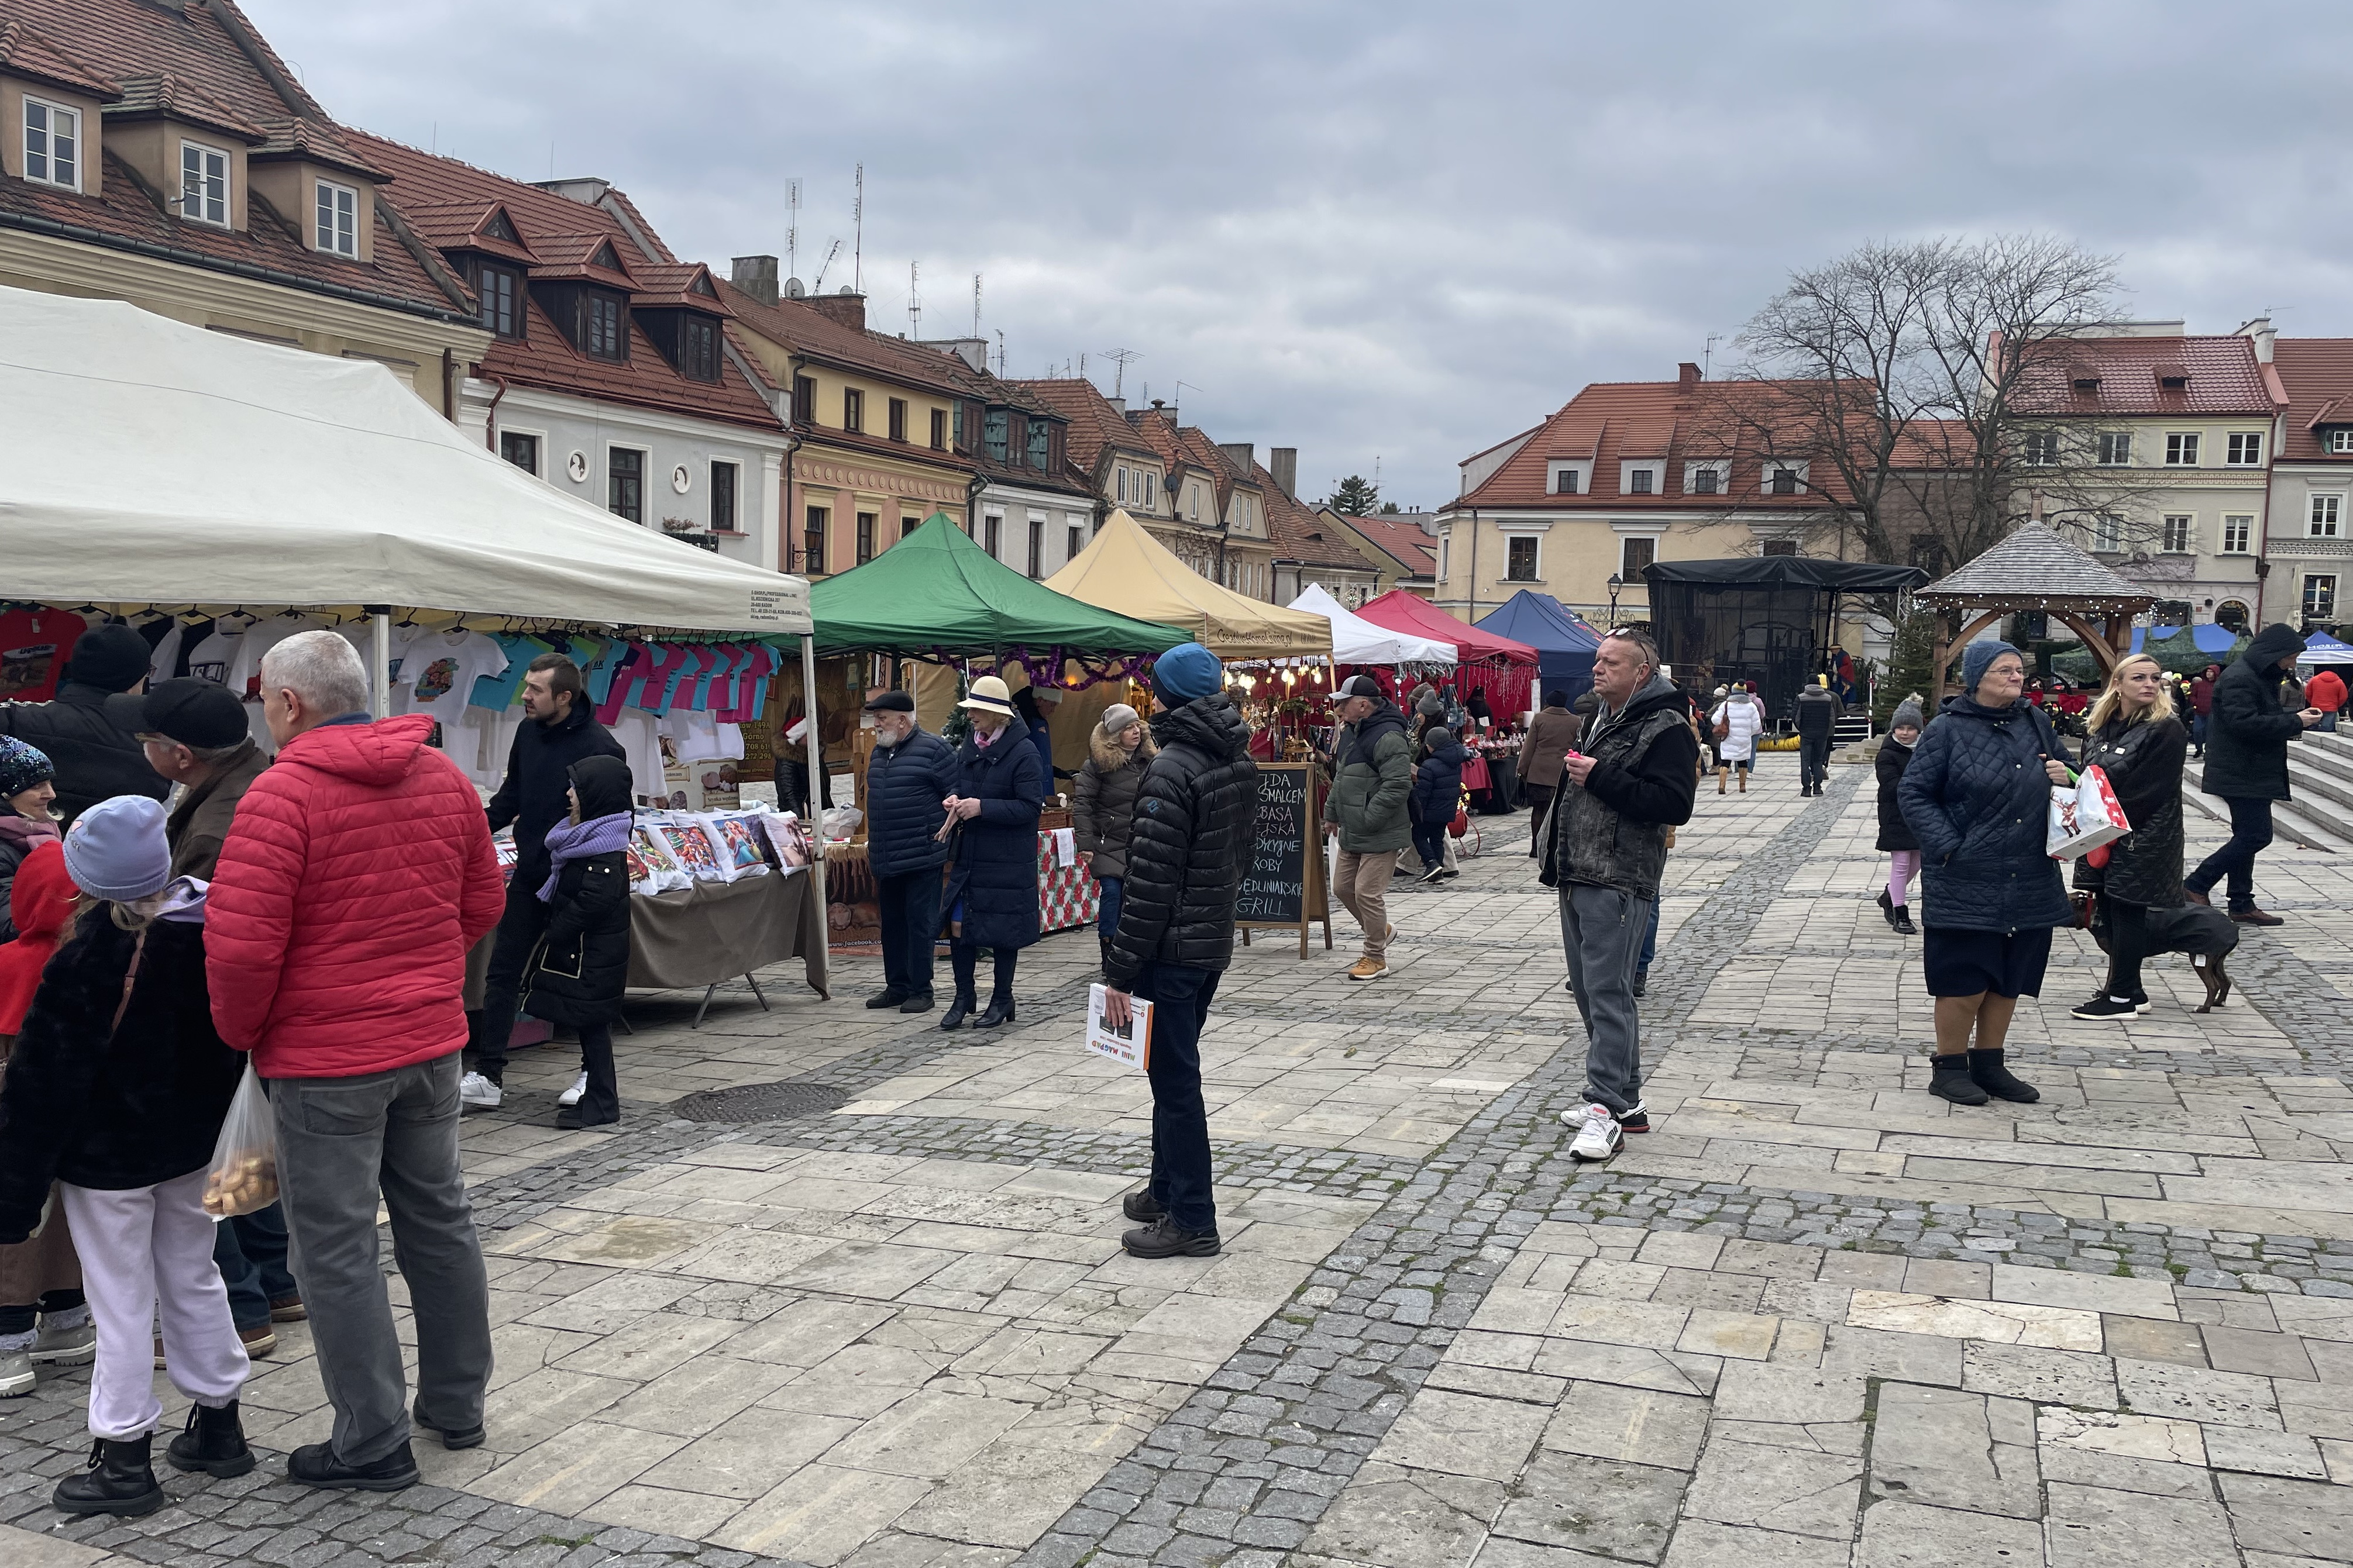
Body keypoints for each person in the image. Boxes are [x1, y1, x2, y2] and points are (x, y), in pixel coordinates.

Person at [206, 630, 505, 1491]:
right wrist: (423, 974)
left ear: (290, 703)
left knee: (334, 1249)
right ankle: (456, 1402)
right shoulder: (442, 776)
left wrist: (247, 1034)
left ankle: (370, 1437)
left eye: (265, 696)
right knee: (438, 1220)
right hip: (425, 1043)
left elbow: (240, 950)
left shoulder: (282, 795)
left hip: (325, 1057)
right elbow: (482, 897)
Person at [0, 796, 250, 1515]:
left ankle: (123, 1454)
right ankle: (220, 1423)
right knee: (194, 1276)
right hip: (193, 1144)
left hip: (108, 1160)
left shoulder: (86, 957)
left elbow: (43, 1083)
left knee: (120, 1299)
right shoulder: (211, 931)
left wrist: (15, 1194)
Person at [141, 678, 297, 1360]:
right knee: (246, 1140)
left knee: (209, 1154)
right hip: (261, 1009)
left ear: (179, 754)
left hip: (222, 1009)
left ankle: (240, 1305)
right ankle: (278, 1281)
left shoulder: (216, 823)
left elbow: (206, 940)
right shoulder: (253, 778)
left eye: (146, 741)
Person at [1099, 643, 1257, 1259]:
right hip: (1206, 939)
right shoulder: (1233, 755)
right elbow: (1238, 855)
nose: (1150, 699)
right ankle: (1165, 1188)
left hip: (1169, 947)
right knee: (1170, 1071)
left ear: (1168, 698)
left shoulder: (1171, 768)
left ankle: (1192, 1218)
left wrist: (1119, 967)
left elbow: (1149, 882)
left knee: (1174, 1081)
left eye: (1155, 689)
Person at [1542, 629, 1698, 1162]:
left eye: (1611, 661)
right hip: (1578, 868)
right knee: (1589, 991)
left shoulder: (1666, 725)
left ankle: (1605, 1105)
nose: (1597, 668)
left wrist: (1601, 776)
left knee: (1609, 994)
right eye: (1597, 660)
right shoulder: (1599, 718)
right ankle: (1627, 1102)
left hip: (1619, 874)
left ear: (1642, 672)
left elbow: (1674, 804)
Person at [1897, 641, 2072, 1107]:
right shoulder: (1946, 730)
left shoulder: (2035, 722)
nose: (2017, 677)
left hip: (2030, 870)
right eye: (2005, 670)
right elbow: (1914, 793)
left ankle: (1989, 1063)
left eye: (2019, 670)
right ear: (1978, 678)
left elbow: (2073, 773)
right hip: (1966, 875)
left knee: (2010, 976)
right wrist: (1950, 847)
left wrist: (2066, 773)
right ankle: (1949, 1067)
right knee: (1965, 977)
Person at [463, 653, 625, 1111]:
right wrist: (468, 831)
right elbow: (511, 796)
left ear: (565, 697)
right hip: (532, 875)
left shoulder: (602, 747)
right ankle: (488, 1074)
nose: (525, 695)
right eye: (527, 686)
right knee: (503, 971)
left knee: (584, 978)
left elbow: (612, 822)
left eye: (535, 689)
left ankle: (593, 1073)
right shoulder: (526, 732)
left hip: (577, 879)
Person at [0, 839, 89, 1404]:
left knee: (14, 1223)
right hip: (81, 1109)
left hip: (14, 1110)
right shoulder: (95, 957)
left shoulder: (7, 961)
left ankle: (8, 1342)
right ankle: (68, 1319)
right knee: (69, 1219)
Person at [2070, 654, 2189, 1020]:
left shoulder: (2168, 728)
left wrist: (2106, 825)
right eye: (2139, 678)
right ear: (2118, 684)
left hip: (2143, 833)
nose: (2150, 684)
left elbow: (2149, 791)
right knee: (2108, 909)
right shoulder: (2098, 726)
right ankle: (2132, 990)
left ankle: (2120, 997)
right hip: (2103, 830)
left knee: (2128, 911)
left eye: (2156, 678)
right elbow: (2092, 776)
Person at [520, 757, 634, 1128]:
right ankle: (598, 1098)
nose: (569, 795)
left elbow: (595, 901)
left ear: (595, 796)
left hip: (592, 955)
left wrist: (556, 931)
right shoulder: (589, 841)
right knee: (590, 1028)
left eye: (577, 788)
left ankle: (602, 1102)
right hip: (587, 954)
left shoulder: (603, 848)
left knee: (595, 1028)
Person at [2185, 624, 2323, 926]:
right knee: (2256, 836)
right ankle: (2197, 883)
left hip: (2249, 770)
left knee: (2246, 836)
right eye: (2292, 657)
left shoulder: (2256, 675)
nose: (2293, 664)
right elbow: (2245, 725)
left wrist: (2293, 719)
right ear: (2275, 654)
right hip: (2241, 771)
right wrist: (2295, 721)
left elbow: (2257, 719)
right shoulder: (2241, 678)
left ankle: (2241, 902)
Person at [937, 676, 1044, 1030]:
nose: (970, 717)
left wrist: (983, 808)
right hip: (971, 855)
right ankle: (963, 995)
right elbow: (959, 782)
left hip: (1007, 860)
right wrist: (954, 798)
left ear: (997, 714)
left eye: (976, 711)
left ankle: (1002, 998)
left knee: (1003, 931)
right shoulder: (971, 744)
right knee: (958, 925)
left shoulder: (1024, 752)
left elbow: (1030, 808)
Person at [0, 623, 167, 828]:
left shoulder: (17, 718)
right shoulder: (154, 747)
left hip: (24, 852)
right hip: (110, 855)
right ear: (134, 677)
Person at [861, 691, 958, 1012]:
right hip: (886, 856)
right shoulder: (879, 753)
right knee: (892, 923)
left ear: (902, 720)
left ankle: (922, 990)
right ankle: (897, 986)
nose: (876, 723)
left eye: (882, 717)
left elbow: (956, 797)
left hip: (921, 855)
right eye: (876, 717)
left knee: (920, 923)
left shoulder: (935, 750)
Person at [1322, 675, 1412, 980]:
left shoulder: (1389, 736)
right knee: (1342, 888)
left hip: (1380, 830)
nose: (1337, 709)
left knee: (1366, 893)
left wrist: (1368, 817)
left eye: (1343, 703)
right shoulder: (1352, 732)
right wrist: (1331, 812)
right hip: (1354, 828)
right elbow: (1342, 778)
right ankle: (1381, 930)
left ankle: (1375, 957)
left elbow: (1398, 786)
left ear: (1362, 704)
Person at [138, 678, 271, 883]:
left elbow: (183, 912)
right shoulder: (248, 766)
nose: (140, 742)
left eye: (145, 737)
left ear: (183, 757)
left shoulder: (210, 839)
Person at [1074, 702, 1155, 973]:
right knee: (1112, 892)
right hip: (1108, 842)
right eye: (1127, 728)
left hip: (1144, 842)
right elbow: (1083, 803)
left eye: (1136, 726)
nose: (1135, 732)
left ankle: (1136, 952)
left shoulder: (1151, 762)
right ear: (1114, 734)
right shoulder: (1098, 765)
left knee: (1139, 898)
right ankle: (1108, 951)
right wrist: (1085, 844)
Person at [1, 737, 61, 944]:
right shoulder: (4, 853)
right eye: (37, 786)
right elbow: (11, 927)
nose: (51, 794)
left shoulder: (36, 832)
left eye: (49, 783)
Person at [1874, 697, 1925, 936]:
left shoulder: (1927, 751)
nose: (1905, 733)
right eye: (1900, 728)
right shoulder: (1887, 754)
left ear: (1919, 729)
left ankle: (1889, 895)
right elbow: (1892, 785)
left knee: (1918, 861)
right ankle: (1900, 912)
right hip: (1896, 814)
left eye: (1910, 728)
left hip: (1921, 814)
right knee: (1902, 861)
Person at [1520, 691, 1579, 858]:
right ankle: (1551, 847)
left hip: (1538, 771)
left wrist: (1522, 768)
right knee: (1554, 812)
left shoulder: (1539, 719)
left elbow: (1529, 746)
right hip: (1561, 772)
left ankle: (1535, 847)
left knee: (1538, 810)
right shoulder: (1575, 721)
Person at [1410, 711, 1467, 884]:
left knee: (1417, 835)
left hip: (1430, 811)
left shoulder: (1429, 766)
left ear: (1433, 745)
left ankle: (1431, 863)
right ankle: (1438, 872)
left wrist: (1417, 809)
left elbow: (1423, 792)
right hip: (1446, 810)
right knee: (1437, 839)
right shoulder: (1455, 763)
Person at [1709, 683, 1765, 795]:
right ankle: (1742, 786)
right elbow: (1756, 725)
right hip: (1744, 739)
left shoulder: (1726, 705)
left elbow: (1715, 720)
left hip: (1728, 738)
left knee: (1725, 761)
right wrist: (1749, 733)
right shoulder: (1751, 706)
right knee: (1743, 761)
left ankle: (1722, 786)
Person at [1010, 684, 1058, 801]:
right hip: (1032, 787)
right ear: (1040, 701)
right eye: (1052, 705)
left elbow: (1044, 760)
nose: (1053, 710)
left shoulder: (1042, 723)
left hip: (1046, 785)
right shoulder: (1023, 723)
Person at [1795, 675, 1837, 796]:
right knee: (1818, 760)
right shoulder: (1828, 699)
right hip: (1822, 734)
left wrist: (1802, 729)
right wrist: (1826, 731)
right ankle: (1818, 787)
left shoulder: (1801, 698)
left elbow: (1796, 717)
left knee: (1805, 761)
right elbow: (1832, 718)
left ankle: (1806, 789)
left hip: (1806, 734)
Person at [2189, 664, 2218, 757]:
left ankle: (2208, 752)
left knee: (2209, 734)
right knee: (2197, 731)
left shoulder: (2218, 684)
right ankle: (2199, 749)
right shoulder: (2199, 685)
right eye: (2208, 671)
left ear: (2215, 673)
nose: (2209, 673)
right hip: (2199, 713)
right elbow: (2193, 696)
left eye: (2211, 672)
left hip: (2212, 713)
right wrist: (2196, 703)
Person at [2308, 664, 2345, 733]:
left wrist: (2313, 702)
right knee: (2327, 730)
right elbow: (2344, 697)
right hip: (2331, 709)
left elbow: (2308, 693)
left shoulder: (2314, 680)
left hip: (2316, 708)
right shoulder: (2339, 682)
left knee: (2313, 729)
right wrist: (2336, 705)